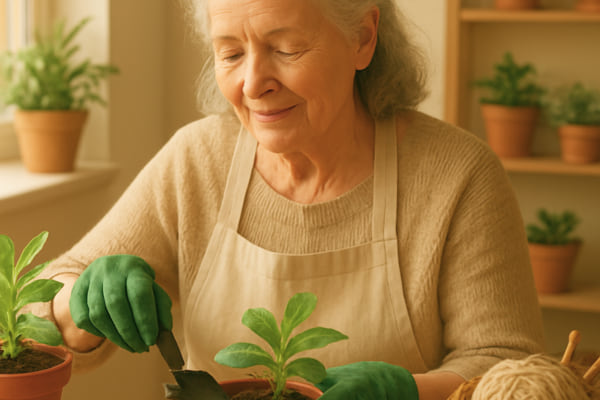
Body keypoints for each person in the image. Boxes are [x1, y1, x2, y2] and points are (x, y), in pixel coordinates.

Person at [40, 0, 545, 399]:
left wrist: (409, 391)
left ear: (362, 39)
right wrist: (76, 303)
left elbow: (508, 365)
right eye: (231, 53)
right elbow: (44, 301)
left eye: (285, 48)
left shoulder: (458, 175)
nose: (254, 83)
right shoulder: (195, 160)